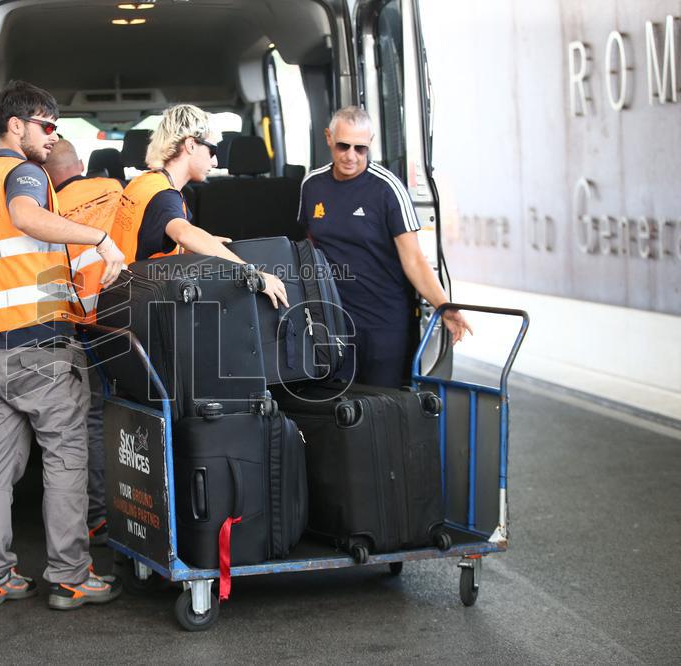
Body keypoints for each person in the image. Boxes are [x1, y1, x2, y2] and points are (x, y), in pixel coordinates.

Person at [0, 80, 126, 611]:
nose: (53, 136)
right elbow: (26, 218)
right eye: (46, 125)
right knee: (67, 455)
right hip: (39, 341)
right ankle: (71, 575)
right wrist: (96, 237)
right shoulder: (25, 174)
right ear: (15, 126)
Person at [298, 106, 472, 388]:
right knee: (335, 405)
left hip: (383, 320)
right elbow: (309, 244)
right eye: (343, 146)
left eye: (360, 148)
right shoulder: (312, 184)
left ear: (370, 144)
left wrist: (444, 306)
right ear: (328, 138)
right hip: (332, 317)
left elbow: (414, 259)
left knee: (381, 406)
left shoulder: (387, 188)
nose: (351, 156)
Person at [110, 104, 289, 309]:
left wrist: (204, 248)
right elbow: (184, 233)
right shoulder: (164, 195)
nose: (215, 162)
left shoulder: (143, 183)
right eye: (212, 150)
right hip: (138, 306)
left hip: (122, 297)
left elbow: (149, 248)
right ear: (191, 145)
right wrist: (252, 273)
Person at [43, 138, 123, 546]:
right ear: (80, 164)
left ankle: (98, 516)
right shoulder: (115, 190)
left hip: (84, 330)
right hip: (131, 320)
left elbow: (48, 290)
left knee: (91, 418)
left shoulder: (48, 214)